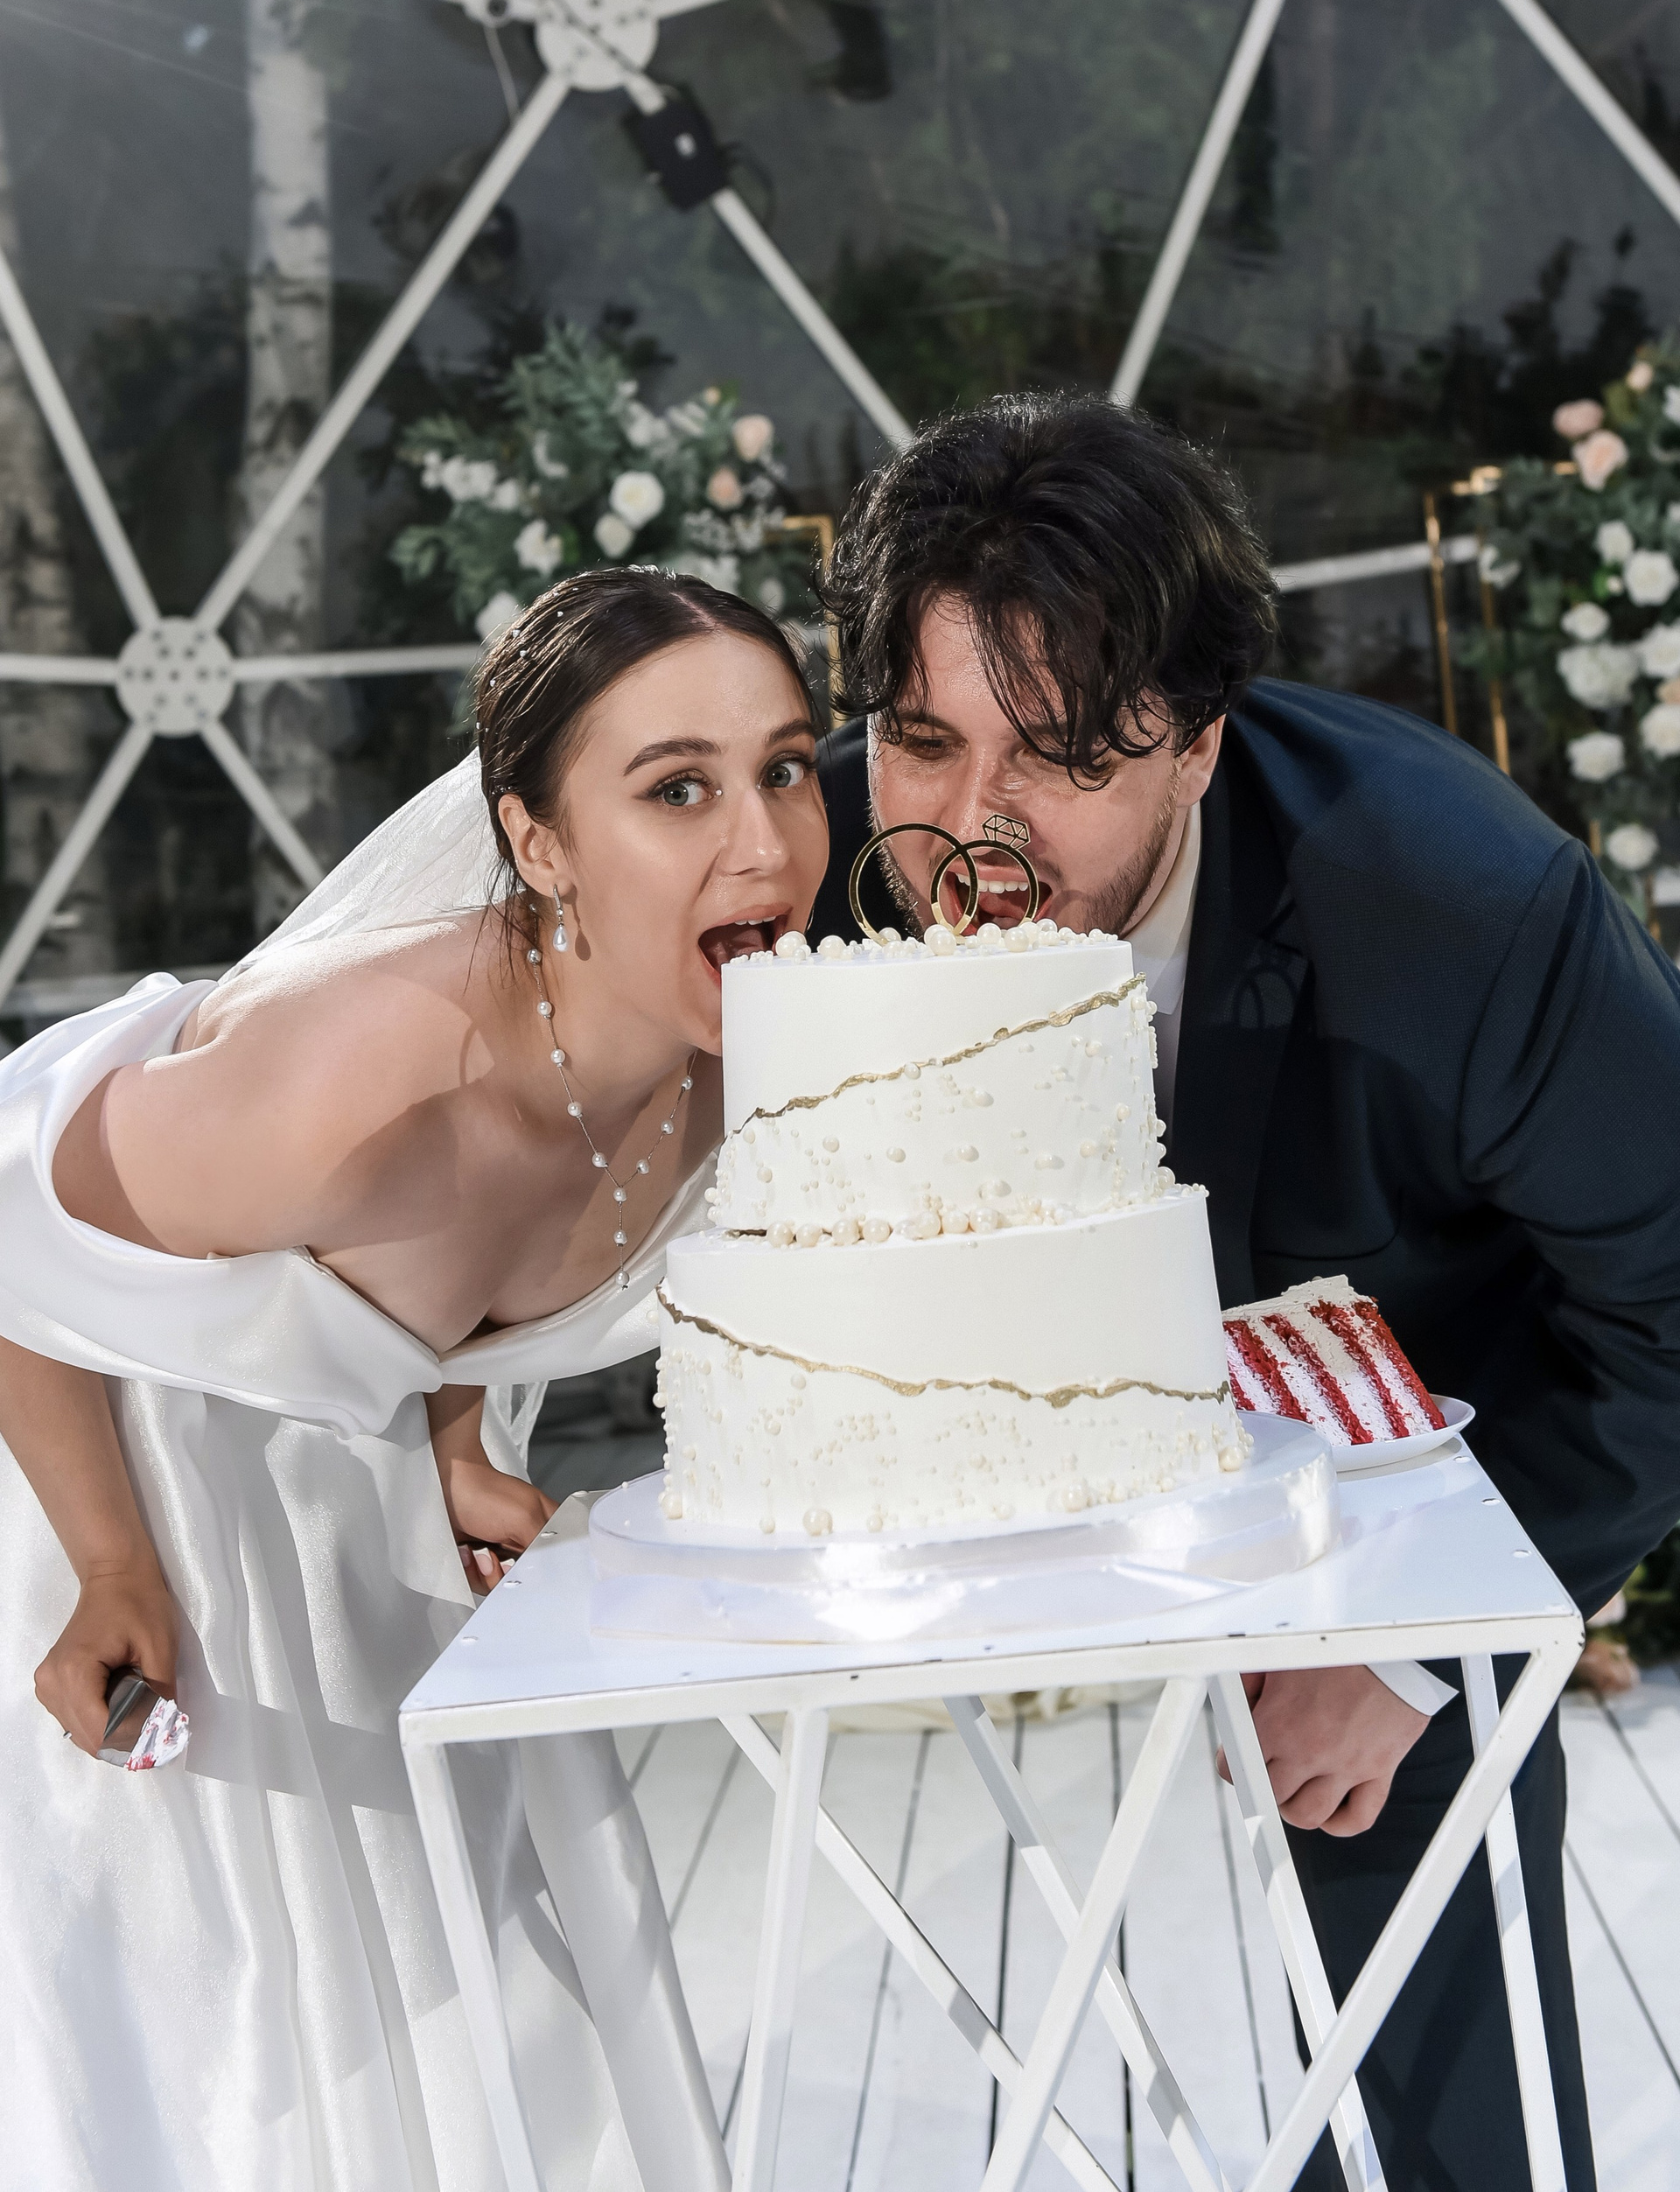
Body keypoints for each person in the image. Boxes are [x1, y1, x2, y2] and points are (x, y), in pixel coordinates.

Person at [810, 391, 1680, 2191]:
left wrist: (1423, 1646)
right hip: (1004, 1444)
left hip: (1399, 1454)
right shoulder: (809, 855)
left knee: (1431, 2000)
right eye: (922, 740)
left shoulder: (1457, 911)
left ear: (1199, 742)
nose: (973, 828)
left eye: (1061, 755)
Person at [0, 565, 828, 2192]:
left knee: (469, 2035)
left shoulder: (725, 1063)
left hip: (359, 1545)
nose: (763, 844)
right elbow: (12, 1245)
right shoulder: (353, 1080)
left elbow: (453, 1285)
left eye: (786, 768)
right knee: (232, 2067)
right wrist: (109, 1568)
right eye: (677, 788)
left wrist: (448, 1437)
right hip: (107, 1503)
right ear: (538, 843)